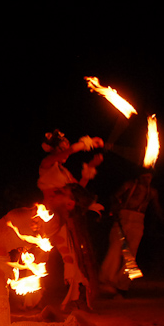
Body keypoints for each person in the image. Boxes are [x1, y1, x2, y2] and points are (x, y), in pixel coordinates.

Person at [0, 187, 106, 326]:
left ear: (69, 204)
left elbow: (43, 247)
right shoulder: (43, 213)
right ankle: (43, 318)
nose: (55, 190)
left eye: (61, 192)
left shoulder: (50, 220)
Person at [38, 130, 104, 311]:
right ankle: (30, 298)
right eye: (63, 148)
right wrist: (87, 143)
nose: (66, 152)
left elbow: (78, 188)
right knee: (39, 254)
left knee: (71, 257)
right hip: (49, 215)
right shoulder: (47, 164)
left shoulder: (64, 172)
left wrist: (91, 164)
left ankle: (74, 298)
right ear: (56, 149)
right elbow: (67, 153)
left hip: (64, 216)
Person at [99, 171, 164, 294]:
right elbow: (114, 196)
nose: (147, 179)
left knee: (130, 255)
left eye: (149, 177)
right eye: (145, 177)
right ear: (139, 176)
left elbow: (157, 209)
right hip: (123, 217)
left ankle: (122, 285)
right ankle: (107, 281)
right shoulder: (129, 185)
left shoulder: (152, 192)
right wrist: (116, 208)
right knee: (115, 249)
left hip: (138, 221)